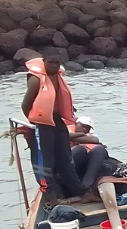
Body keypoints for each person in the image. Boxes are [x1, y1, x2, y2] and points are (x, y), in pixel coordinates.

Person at [21, 48, 84, 200]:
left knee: (65, 157)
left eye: (57, 63)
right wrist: (36, 123)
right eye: (51, 63)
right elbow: (25, 105)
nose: (55, 66)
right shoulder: (36, 79)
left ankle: (80, 192)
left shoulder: (58, 76)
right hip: (41, 124)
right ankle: (51, 195)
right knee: (44, 162)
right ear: (44, 62)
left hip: (57, 121)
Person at [68, 116, 109, 193]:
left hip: (82, 164)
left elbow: (95, 140)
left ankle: (86, 187)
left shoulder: (89, 135)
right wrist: (79, 135)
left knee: (99, 149)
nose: (84, 129)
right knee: (80, 149)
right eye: (82, 126)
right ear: (76, 124)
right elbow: (65, 135)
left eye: (87, 128)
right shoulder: (67, 130)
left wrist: (76, 136)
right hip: (68, 166)